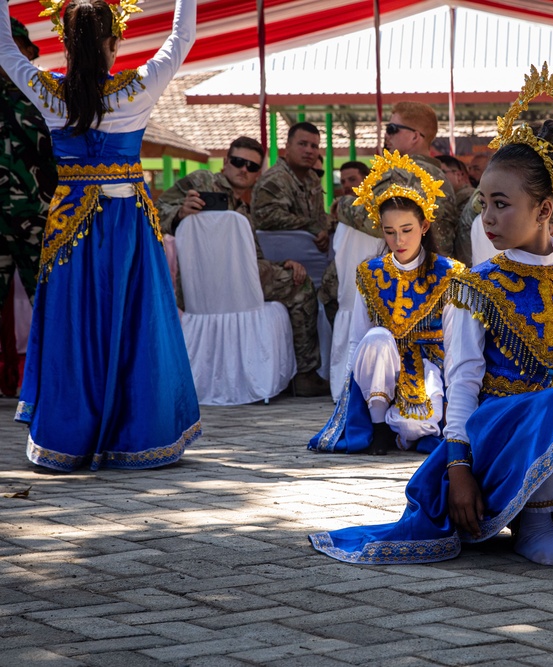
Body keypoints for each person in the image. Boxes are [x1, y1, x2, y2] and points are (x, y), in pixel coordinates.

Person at [308, 64, 553, 566]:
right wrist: (458, 467)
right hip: (489, 443)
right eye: (483, 203)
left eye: (502, 204)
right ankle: (533, 526)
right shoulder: (475, 285)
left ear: (545, 208)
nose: (487, 218)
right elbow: (463, 381)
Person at [0, 0, 200, 470]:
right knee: (135, 326)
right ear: (114, 44)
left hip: (70, 224)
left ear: (65, 45)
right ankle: (136, 434)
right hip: (126, 222)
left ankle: (69, 437)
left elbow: (7, 51)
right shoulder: (137, 90)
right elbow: (181, 39)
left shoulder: (49, 93)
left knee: (74, 327)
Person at [309, 150, 464, 455]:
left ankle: (406, 429)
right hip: (384, 365)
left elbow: (458, 342)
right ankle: (379, 426)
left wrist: (454, 396)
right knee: (377, 337)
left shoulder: (449, 273)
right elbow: (357, 339)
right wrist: (349, 397)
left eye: (407, 230)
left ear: (425, 227)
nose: (399, 240)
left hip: (431, 365)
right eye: (389, 232)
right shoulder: (370, 272)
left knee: (415, 426)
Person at [155, 137, 327, 396]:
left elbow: (249, 260)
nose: (244, 169)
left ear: (258, 175)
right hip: (202, 284)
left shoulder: (245, 210)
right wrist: (179, 212)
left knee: (294, 273)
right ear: (225, 162)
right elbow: (152, 211)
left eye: (252, 166)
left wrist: (282, 264)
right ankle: (305, 373)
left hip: (222, 286)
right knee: (301, 284)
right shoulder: (202, 182)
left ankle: (300, 373)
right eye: (238, 162)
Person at [0, 17, 57, 395]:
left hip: (35, 219)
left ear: (30, 53)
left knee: (50, 305)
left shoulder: (45, 96)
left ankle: (57, 383)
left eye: (14, 48)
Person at [335, 103, 466, 263]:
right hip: (437, 270)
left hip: (408, 275)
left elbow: (375, 222)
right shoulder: (439, 175)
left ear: (415, 137)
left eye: (392, 129)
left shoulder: (402, 173)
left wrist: (341, 205)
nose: (387, 136)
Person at [252, 122, 331, 254]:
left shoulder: (312, 178)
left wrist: (328, 227)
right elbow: (268, 217)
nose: (309, 150)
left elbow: (320, 217)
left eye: (314, 146)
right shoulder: (275, 179)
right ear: (287, 147)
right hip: (278, 260)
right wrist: (312, 226)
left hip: (310, 255)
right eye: (302, 144)